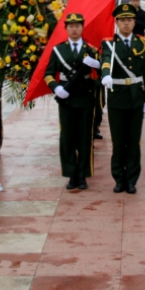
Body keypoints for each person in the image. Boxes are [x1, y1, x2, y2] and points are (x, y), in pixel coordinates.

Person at [43, 13, 101, 190]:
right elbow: (48, 74)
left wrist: (97, 66)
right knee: (67, 137)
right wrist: (56, 87)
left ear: (82, 28)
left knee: (85, 138)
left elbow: (100, 74)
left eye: (78, 26)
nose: (74, 29)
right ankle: (71, 174)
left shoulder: (91, 50)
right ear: (66, 28)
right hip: (66, 99)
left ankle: (83, 175)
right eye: (71, 26)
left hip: (85, 97)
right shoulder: (58, 50)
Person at [100, 3, 145, 194]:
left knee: (133, 142)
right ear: (117, 23)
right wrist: (105, 74)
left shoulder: (143, 43)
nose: (126, 24)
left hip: (136, 98)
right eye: (122, 20)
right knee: (118, 141)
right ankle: (118, 178)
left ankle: (131, 179)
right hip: (117, 98)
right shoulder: (109, 44)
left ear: (133, 22)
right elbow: (106, 59)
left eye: (129, 20)